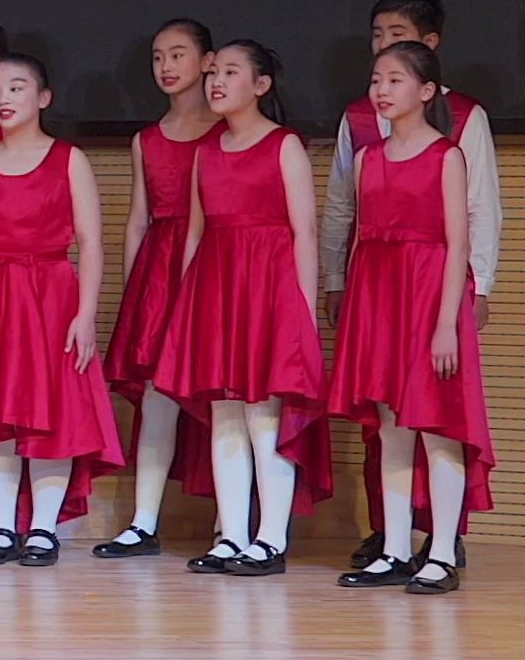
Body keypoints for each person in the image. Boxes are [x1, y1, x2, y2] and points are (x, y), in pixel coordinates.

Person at [0, 54, 117, 568]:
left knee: (49, 409)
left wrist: (86, 314)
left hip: (50, 295)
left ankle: (42, 528)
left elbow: (92, 242)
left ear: (43, 98)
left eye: (15, 88)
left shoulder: (68, 159)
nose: (2, 99)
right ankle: (1, 525)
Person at [327, 42, 491, 595]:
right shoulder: (369, 157)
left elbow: (456, 244)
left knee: (439, 427)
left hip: (429, 299)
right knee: (391, 428)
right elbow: (361, 239)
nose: (381, 90)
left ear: (426, 91)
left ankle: (441, 552)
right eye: (376, 79)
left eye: (395, 80)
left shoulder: (447, 156)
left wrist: (447, 322)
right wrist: (354, 309)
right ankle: (393, 548)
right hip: (379, 299)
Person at [164, 39, 323, 575]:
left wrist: (299, 309)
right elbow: (196, 233)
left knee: (265, 415)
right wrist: (188, 301)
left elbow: (304, 233)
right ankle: (231, 534)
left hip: (270, 290)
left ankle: (270, 538)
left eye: (230, 72)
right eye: (213, 71)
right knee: (224, 412)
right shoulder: (205, 152)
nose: (216, 81)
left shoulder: (284, 147)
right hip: (217, 288)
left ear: (260, 85)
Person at [97, 19, 221, 557]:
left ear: (207, 61)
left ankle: (230, 523)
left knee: (221, 394)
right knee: (156, 395)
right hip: (159, 271)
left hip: (216, 268)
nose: (166, 67)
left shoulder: (226, 132)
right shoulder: (146, 139)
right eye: (157, 57)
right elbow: (138, 220)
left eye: (177, 54)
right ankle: (143, 520)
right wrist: (134, 290)